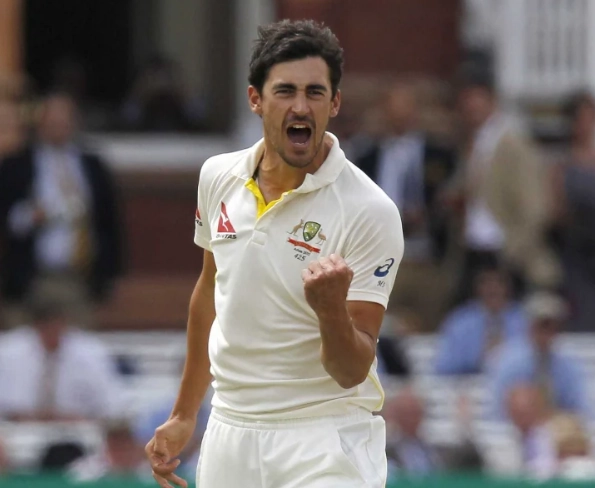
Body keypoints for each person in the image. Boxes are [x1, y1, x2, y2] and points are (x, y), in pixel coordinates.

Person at [145, 20, 404, 488]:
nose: (300, 106)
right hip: (230, 433)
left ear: (334, 103)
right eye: (285, 91)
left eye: (315, 92)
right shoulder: (217, 176)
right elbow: (211, 291)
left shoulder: (371, 210)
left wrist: (330, 311)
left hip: (324, 438)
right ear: (255, 99)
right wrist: (184, 414)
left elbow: (351, 371)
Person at [0, 92, 123, 328]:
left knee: (78, 345)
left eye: (64, 120)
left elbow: (109, 221)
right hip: (29, 280)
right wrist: (30, 216)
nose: (58, 126)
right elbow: (6, 217)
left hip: (78, 281)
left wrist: (110, 275)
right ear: (39, 123)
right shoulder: (16, 164)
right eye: (52, 121)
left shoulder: (92, 165)